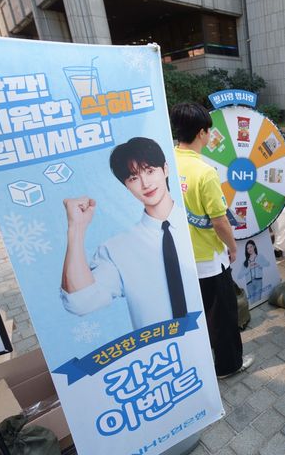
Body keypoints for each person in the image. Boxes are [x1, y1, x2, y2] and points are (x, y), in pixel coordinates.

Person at [61, 136, 203, 331]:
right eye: (134, 177)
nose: (145, 183)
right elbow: (81, 302)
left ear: (166, 169)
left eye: (150, 171)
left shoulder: (196, 224)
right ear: (126, 186)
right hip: (161, 355)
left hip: (208, 339)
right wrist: (76, 229)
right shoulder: (118, 249)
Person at [171, 103, 253, 379]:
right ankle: (228, 365)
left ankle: (199, 359)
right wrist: (232, 247)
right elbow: (220, 221)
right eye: (209, 132)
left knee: (195, 314)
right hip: (208, 258)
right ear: (203, 133)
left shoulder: (167, 162)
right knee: (222, 317)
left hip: (181, 253)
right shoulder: (204, 172)